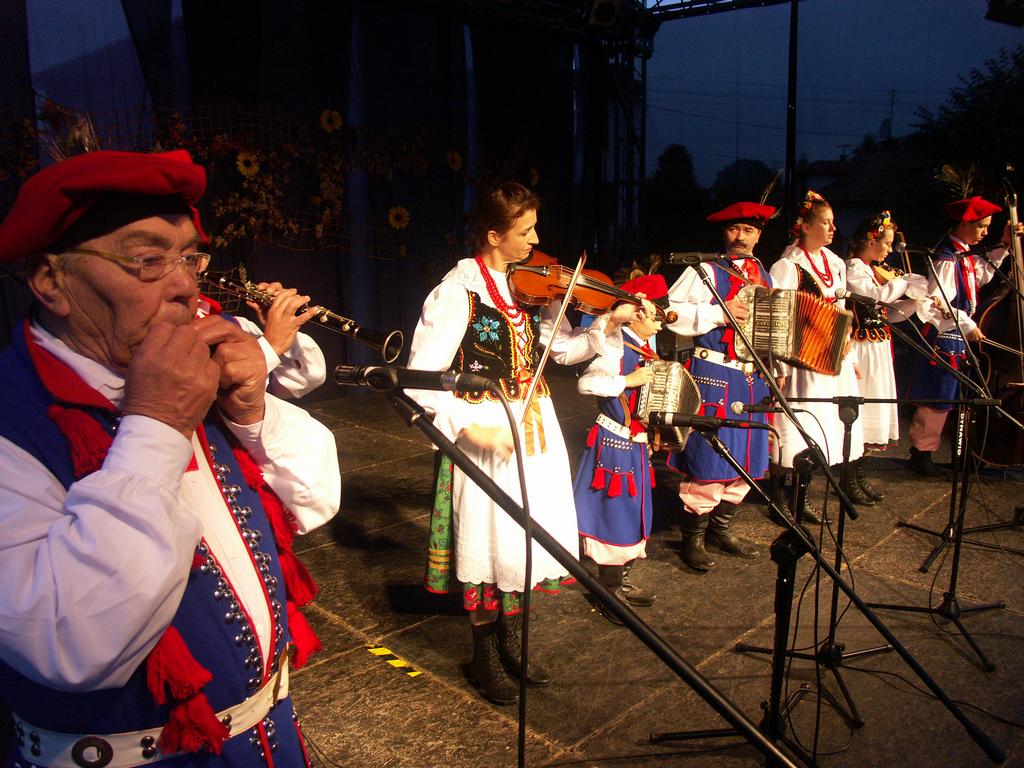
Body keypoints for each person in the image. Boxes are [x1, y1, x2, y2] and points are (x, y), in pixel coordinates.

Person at [0, 149, 341, 768]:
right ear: (51, 281)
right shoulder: (13, 418)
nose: (186, 284)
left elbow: (314, 502)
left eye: (190, 258)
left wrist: (251, 412)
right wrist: (156, 422)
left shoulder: (190, 364)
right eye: (148, 260)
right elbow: (68, 643)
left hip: (270, 741)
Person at [408, 181, 640, 704]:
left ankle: (510, 641)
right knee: (487, 541)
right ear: (493, 235)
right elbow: (420, 379)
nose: (536, 242)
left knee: (521, 538)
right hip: (483, 428)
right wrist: (469, 427)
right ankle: (482, 654)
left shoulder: (530, 287)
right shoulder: (457, 293)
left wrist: (606, 323)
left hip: (534, 426)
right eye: (525, 231)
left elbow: (562, 352)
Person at [665, 201, 773, 570]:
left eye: (748, 230)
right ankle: (693, 537)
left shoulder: (764, 274)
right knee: (709, 457)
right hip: (714, 375)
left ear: (759, 235)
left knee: (745, 459)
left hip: (752, 377)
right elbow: (670, 314)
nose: (740, 236)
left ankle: (720, 529)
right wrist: (718, 312)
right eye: (733, 229)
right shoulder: (704, 270)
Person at [904, 195, 1022, 478]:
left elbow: (981, 275)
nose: (985, 232)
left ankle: (956, 451)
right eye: (981, 226)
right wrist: (968, 324)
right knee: (937, 396)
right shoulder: (947, 258)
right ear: (964, 223)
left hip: (956, 335)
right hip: (943, 335)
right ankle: (921, 453)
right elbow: (938, 301)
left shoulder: (964, 253)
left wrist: (1005, 245)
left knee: (954, 397)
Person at [572, 274, 665, 622]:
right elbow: (587, 384)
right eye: (656, 316)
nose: (659, 325)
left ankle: (619, 580)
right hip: (613, 443)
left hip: (635, 444)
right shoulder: (615, 345)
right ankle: (608, 592)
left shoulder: (646, 347)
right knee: (614, 514)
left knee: (631, 512)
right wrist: (628, 380)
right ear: (637, 314)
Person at [768, 190, 862, 521]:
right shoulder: (787, 266)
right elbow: (778, 317)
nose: (833, 228)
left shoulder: (834, 262)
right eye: (825, 222)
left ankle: (801, 495)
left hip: (831, 354)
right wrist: (779, 365)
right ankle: (778, 494)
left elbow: (842, 308)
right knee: (797, 422)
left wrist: (849, 347)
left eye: (833, 222)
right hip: (801, 358)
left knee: (823, 422)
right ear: (806, 226)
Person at [844, 211, 937, 500]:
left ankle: (859, 472)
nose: (888, 250)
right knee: (860, 411)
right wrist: (904, 282)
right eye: (885, 243)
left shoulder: (875, 270)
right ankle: (847, 477)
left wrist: (914, 303)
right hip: (861, 347)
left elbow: (889, 313)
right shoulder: (854, 268)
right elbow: (876, 296)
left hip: (880, 346)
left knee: (876, 408)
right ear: (870, 241)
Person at [198, 280, 327, 399]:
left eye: (194, 263)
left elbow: (309, 377)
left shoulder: (236, 324)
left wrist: (282, 327)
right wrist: (271, 346)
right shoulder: (192, 331)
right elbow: (218, 400)